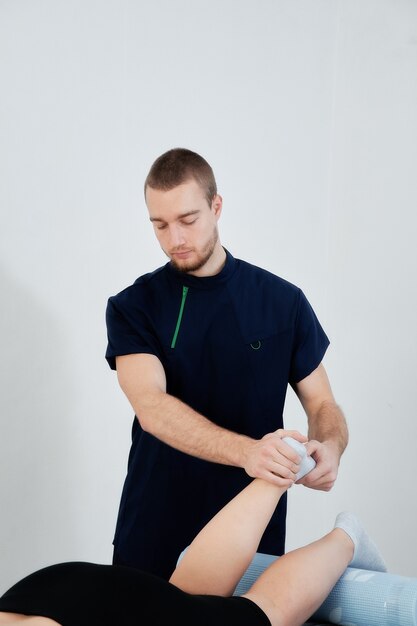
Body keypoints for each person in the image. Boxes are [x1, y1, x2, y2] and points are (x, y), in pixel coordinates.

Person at [105, 148, 349, 578]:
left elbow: (322, 403)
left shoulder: (282, 301)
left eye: (188, 220)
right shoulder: (133, 307)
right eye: (159, 225)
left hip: (251, 541)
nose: (174, 238)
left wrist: (329, 446)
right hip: (154, 534)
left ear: (217, 207)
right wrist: (248, 453)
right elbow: (152, 407)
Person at [0, 431, 385, 626]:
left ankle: (347, 538)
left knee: (255, 616)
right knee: (185, 599)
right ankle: (280, 470)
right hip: (49, 592)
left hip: (61, 610)